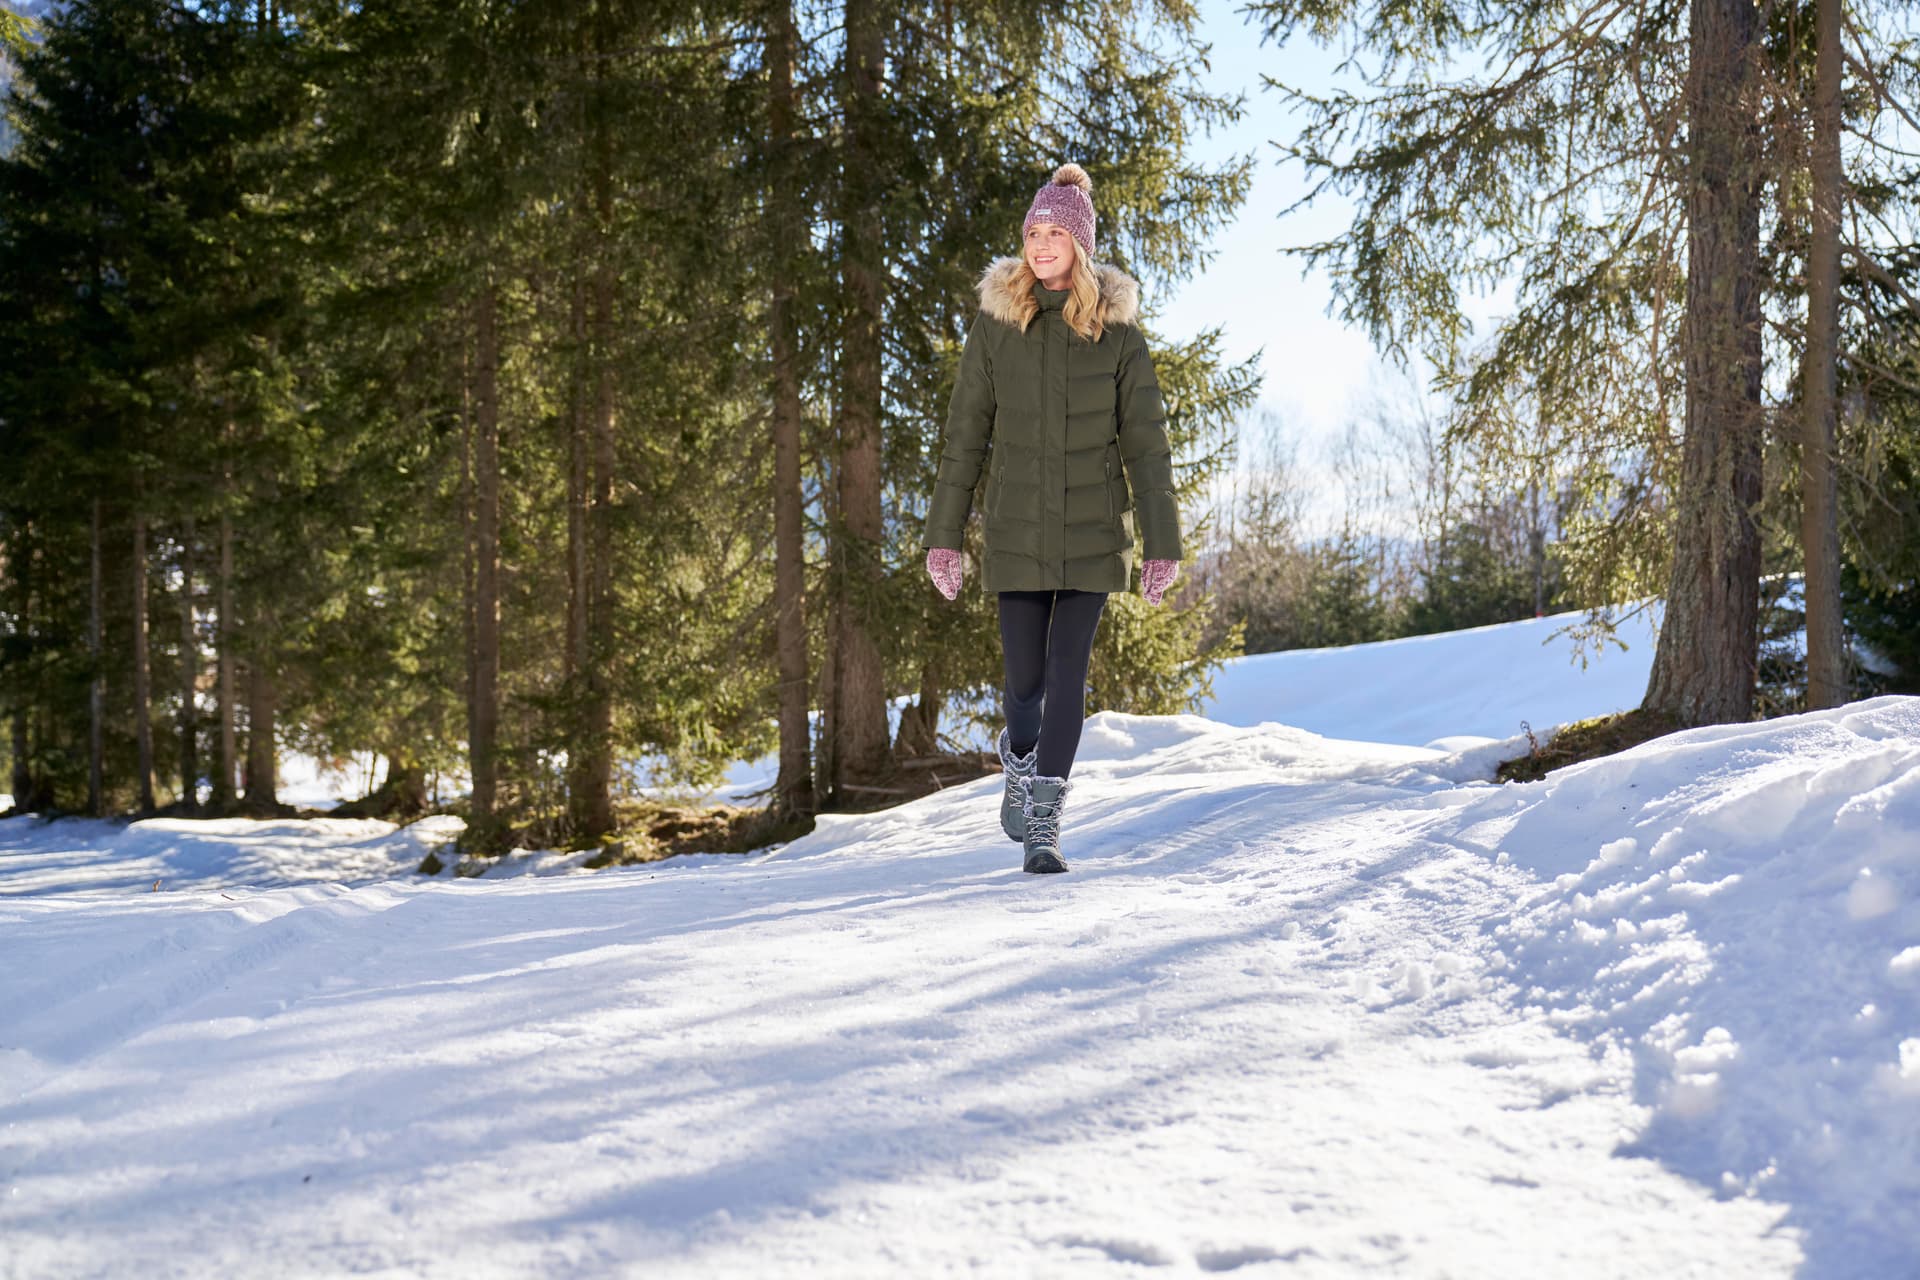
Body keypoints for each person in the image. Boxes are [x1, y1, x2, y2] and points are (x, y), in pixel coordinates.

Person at [921, 162, 1183, 875]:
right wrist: (944, 536)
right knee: (1026, 680)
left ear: (1080, 245)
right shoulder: (998, 325)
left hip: (1095, 531)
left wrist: (1162, 543)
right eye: (1033, 232)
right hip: (1016, 530)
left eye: (1054, 234)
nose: (1041, 246)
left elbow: (1147, 445)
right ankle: (1021, 753)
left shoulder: (1119, 336)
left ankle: (1045, 818)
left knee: (1069, 670)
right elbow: (965, 434)